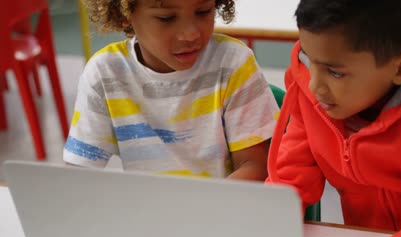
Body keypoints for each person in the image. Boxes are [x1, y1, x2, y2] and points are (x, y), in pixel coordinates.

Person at [266, 0, 401, 237]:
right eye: (307, 58)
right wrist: (248, 235)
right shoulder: (311, 81)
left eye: (335, 73)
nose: (315, 85)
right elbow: (289, 182)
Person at [63, 0, 279, 181]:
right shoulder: (105, 73)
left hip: (221, 216)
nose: (190, 34)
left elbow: (256, 166)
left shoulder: (233, 64)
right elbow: (80, 174)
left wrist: (203, 210)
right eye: (166, 18)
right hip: (147, 221)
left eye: (203, 11)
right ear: (124, 14)